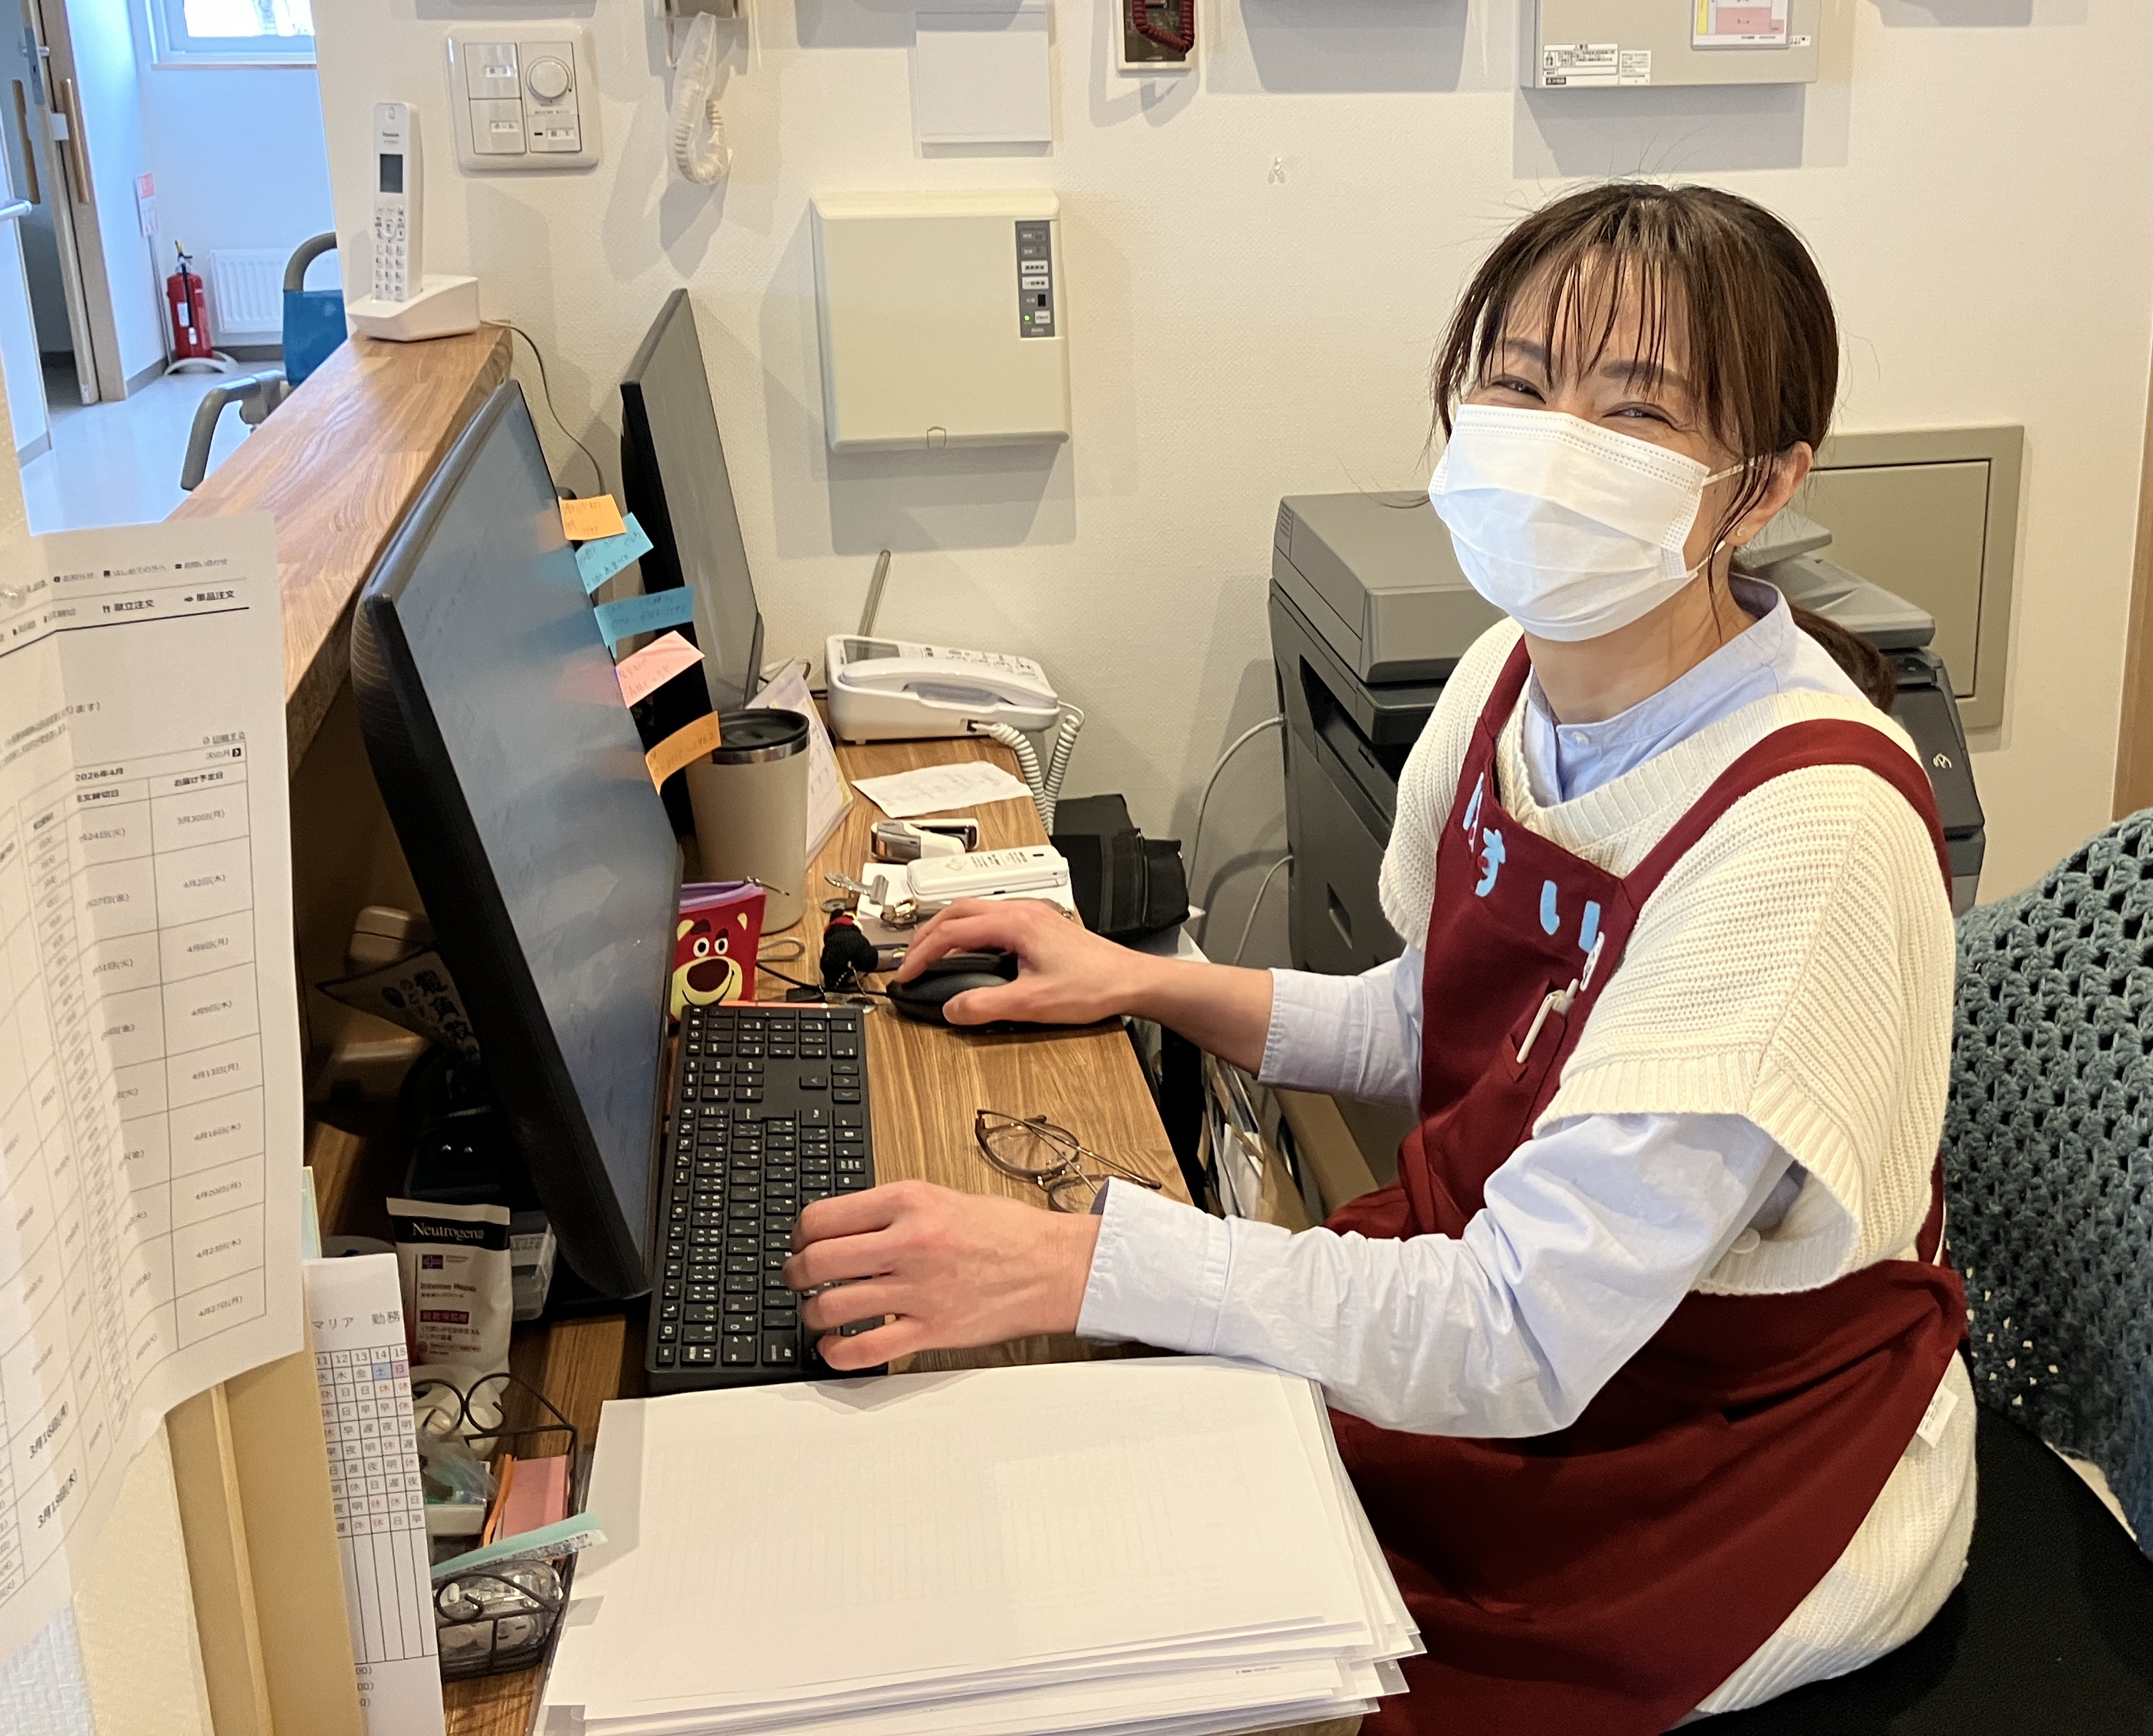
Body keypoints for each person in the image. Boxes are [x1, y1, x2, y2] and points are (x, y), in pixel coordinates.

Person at [786, 182, 1972, 1730]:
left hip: (1710, 1457)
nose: (1555, 441)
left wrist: (1077, 1257)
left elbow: (1522, 1336)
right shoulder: (1508, 677)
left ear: (1761, 486)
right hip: (1516, 1332)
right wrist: (1138, 980)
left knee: (1204, 1655)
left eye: (1637, 410)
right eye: (1523, 382)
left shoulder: (1802, 835)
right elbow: (1439, 1023)